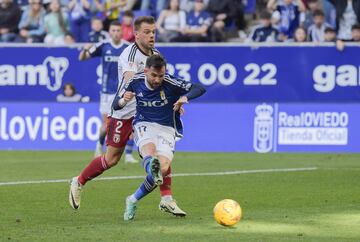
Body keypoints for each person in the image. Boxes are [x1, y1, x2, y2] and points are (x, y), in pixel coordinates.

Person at [69, 17, 185, 216]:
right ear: (136, 34)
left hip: (147, 111)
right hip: (124, 112)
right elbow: (131, 77)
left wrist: (174, 100)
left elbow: (164, 80)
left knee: (162, 149)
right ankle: (79, 181)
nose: (151, 36)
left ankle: (167, 198)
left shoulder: (156, 54)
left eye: (153, 32)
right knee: (111, 159)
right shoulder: (128, 55)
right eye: (147, 32)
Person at [113, 54, 206, 221]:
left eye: (161, 75)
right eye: (154, 75)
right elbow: (115, 105)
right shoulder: (135, 80)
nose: (157, 80)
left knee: (162, 170)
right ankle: (156, 176)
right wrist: (123, 101)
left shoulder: (170, 82)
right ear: (146, 70)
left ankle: (133, 199)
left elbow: (199, 88)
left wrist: (184, 97)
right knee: (150, 152)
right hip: (143, 123)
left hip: (167, 128)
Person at [78, 20, 135, 160]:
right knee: (108, 123)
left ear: (122, 32)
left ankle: (128, 154)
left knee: (131, 122)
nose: (116, 33)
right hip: (107, 92)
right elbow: (82, 59)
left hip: (124, 91)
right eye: (113, 31)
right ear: (109, 32)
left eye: (118, 30)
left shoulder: (128, 48)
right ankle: (99, 145)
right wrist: (85, 49)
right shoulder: (103, 46)